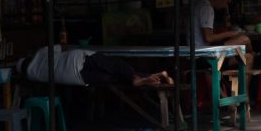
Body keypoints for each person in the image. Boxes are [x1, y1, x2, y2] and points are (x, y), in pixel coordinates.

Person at [17, 45, 172, 88]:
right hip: (78, 60)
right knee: (115, 65)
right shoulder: (40, 53)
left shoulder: (33, 76)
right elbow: (62, 47)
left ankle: (150, 77)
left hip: (77, 78)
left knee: (112, 78)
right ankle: (141, 78)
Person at [193, 0, 253, 68]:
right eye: (226, 2)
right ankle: (253, 54)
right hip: (204, 55)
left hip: (203, 52)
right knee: (245, 40)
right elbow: (208, 38)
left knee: (247, 56)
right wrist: (230, 34)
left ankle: (234, 79)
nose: (226, 6)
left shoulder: (201, 5)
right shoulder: (207, 8)